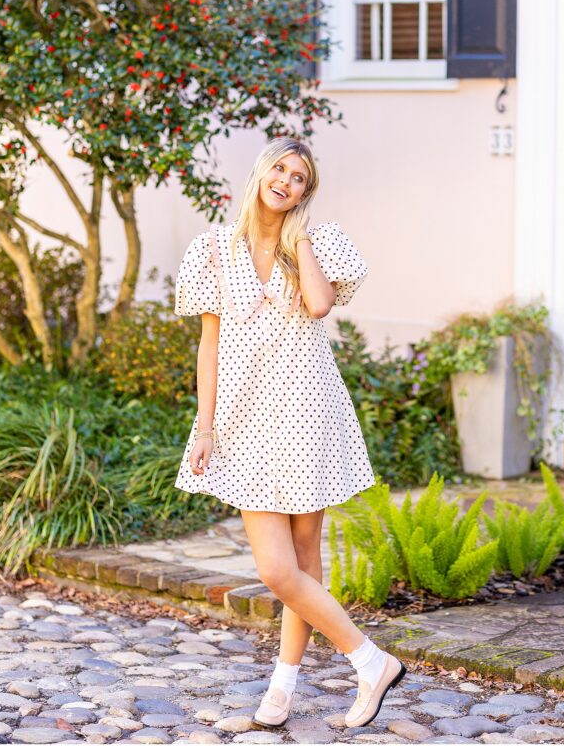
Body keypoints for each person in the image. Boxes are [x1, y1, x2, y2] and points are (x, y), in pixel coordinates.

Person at [173, 136, 406, 729]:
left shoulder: (315, 242)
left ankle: (281, 692)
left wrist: (298, 238)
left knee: (303, 561)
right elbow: (210, 345)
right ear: (259, 173)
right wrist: (204, 427)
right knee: (279, 572)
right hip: (244, 419)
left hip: (307, 414)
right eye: (279, 168)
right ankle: (370, 660)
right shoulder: (213, 250)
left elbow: (322, 304)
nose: (286, 181)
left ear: (307, 191)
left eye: (299, 177)